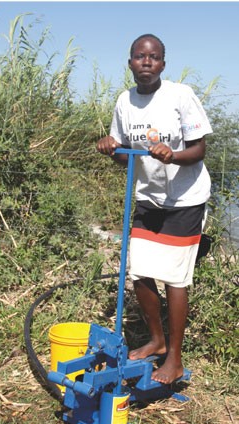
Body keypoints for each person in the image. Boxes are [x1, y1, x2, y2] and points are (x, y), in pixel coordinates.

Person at [97, 34, 213, 384]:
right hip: (149, 197)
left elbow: (199, 150)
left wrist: (172, 155)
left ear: (163, 63)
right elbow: (125, 154)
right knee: (140, 271)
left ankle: (174, 359)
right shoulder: (124, 101)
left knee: (176, 278)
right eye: (139, 56)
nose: (146, 62)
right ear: (130, 62)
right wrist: (109, 147)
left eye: (154, 57)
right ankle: (157, 340)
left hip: (185, 199)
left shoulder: (180, 96)